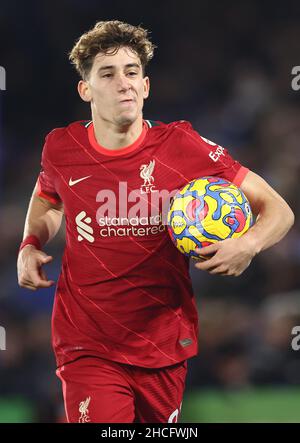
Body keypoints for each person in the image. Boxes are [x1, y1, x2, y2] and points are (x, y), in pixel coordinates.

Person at [17, 20, 294, 423]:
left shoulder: (182, 147)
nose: (123, 83)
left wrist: (247, 244)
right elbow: (48, 196)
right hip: (88, 342)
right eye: (108, 74)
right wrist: (30, 244)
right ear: (86, 89)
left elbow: (280, 210)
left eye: (132, 73)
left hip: (162, 342)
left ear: (145, 87)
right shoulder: (61, 147)